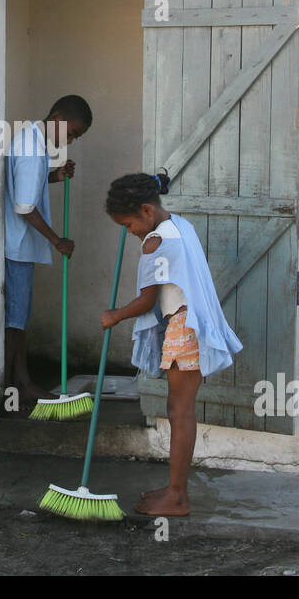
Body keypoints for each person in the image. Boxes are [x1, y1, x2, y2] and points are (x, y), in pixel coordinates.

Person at [101, 171, 244, 516]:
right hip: (190, 324)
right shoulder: (179, 225)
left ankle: (178, 497)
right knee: (178, 411)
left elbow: (146, 301)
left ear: (146, 212)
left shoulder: (156, 243)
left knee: (180, 413)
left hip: (185, 329)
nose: (129, 232)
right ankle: (173, 488)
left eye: (128, 224)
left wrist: (114, 315)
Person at [3, 94, 92, 403]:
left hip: (19, 243)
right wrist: (57, 241)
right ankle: (18, 384)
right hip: (17, 245)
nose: (70, 140)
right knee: (16, 319)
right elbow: (25, 206)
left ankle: (16, 381)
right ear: (56, 118)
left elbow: (27, 185)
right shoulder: (30, 148)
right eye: (71, 133)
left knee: (18, 317)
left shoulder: (31, 140)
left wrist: (55, 175)